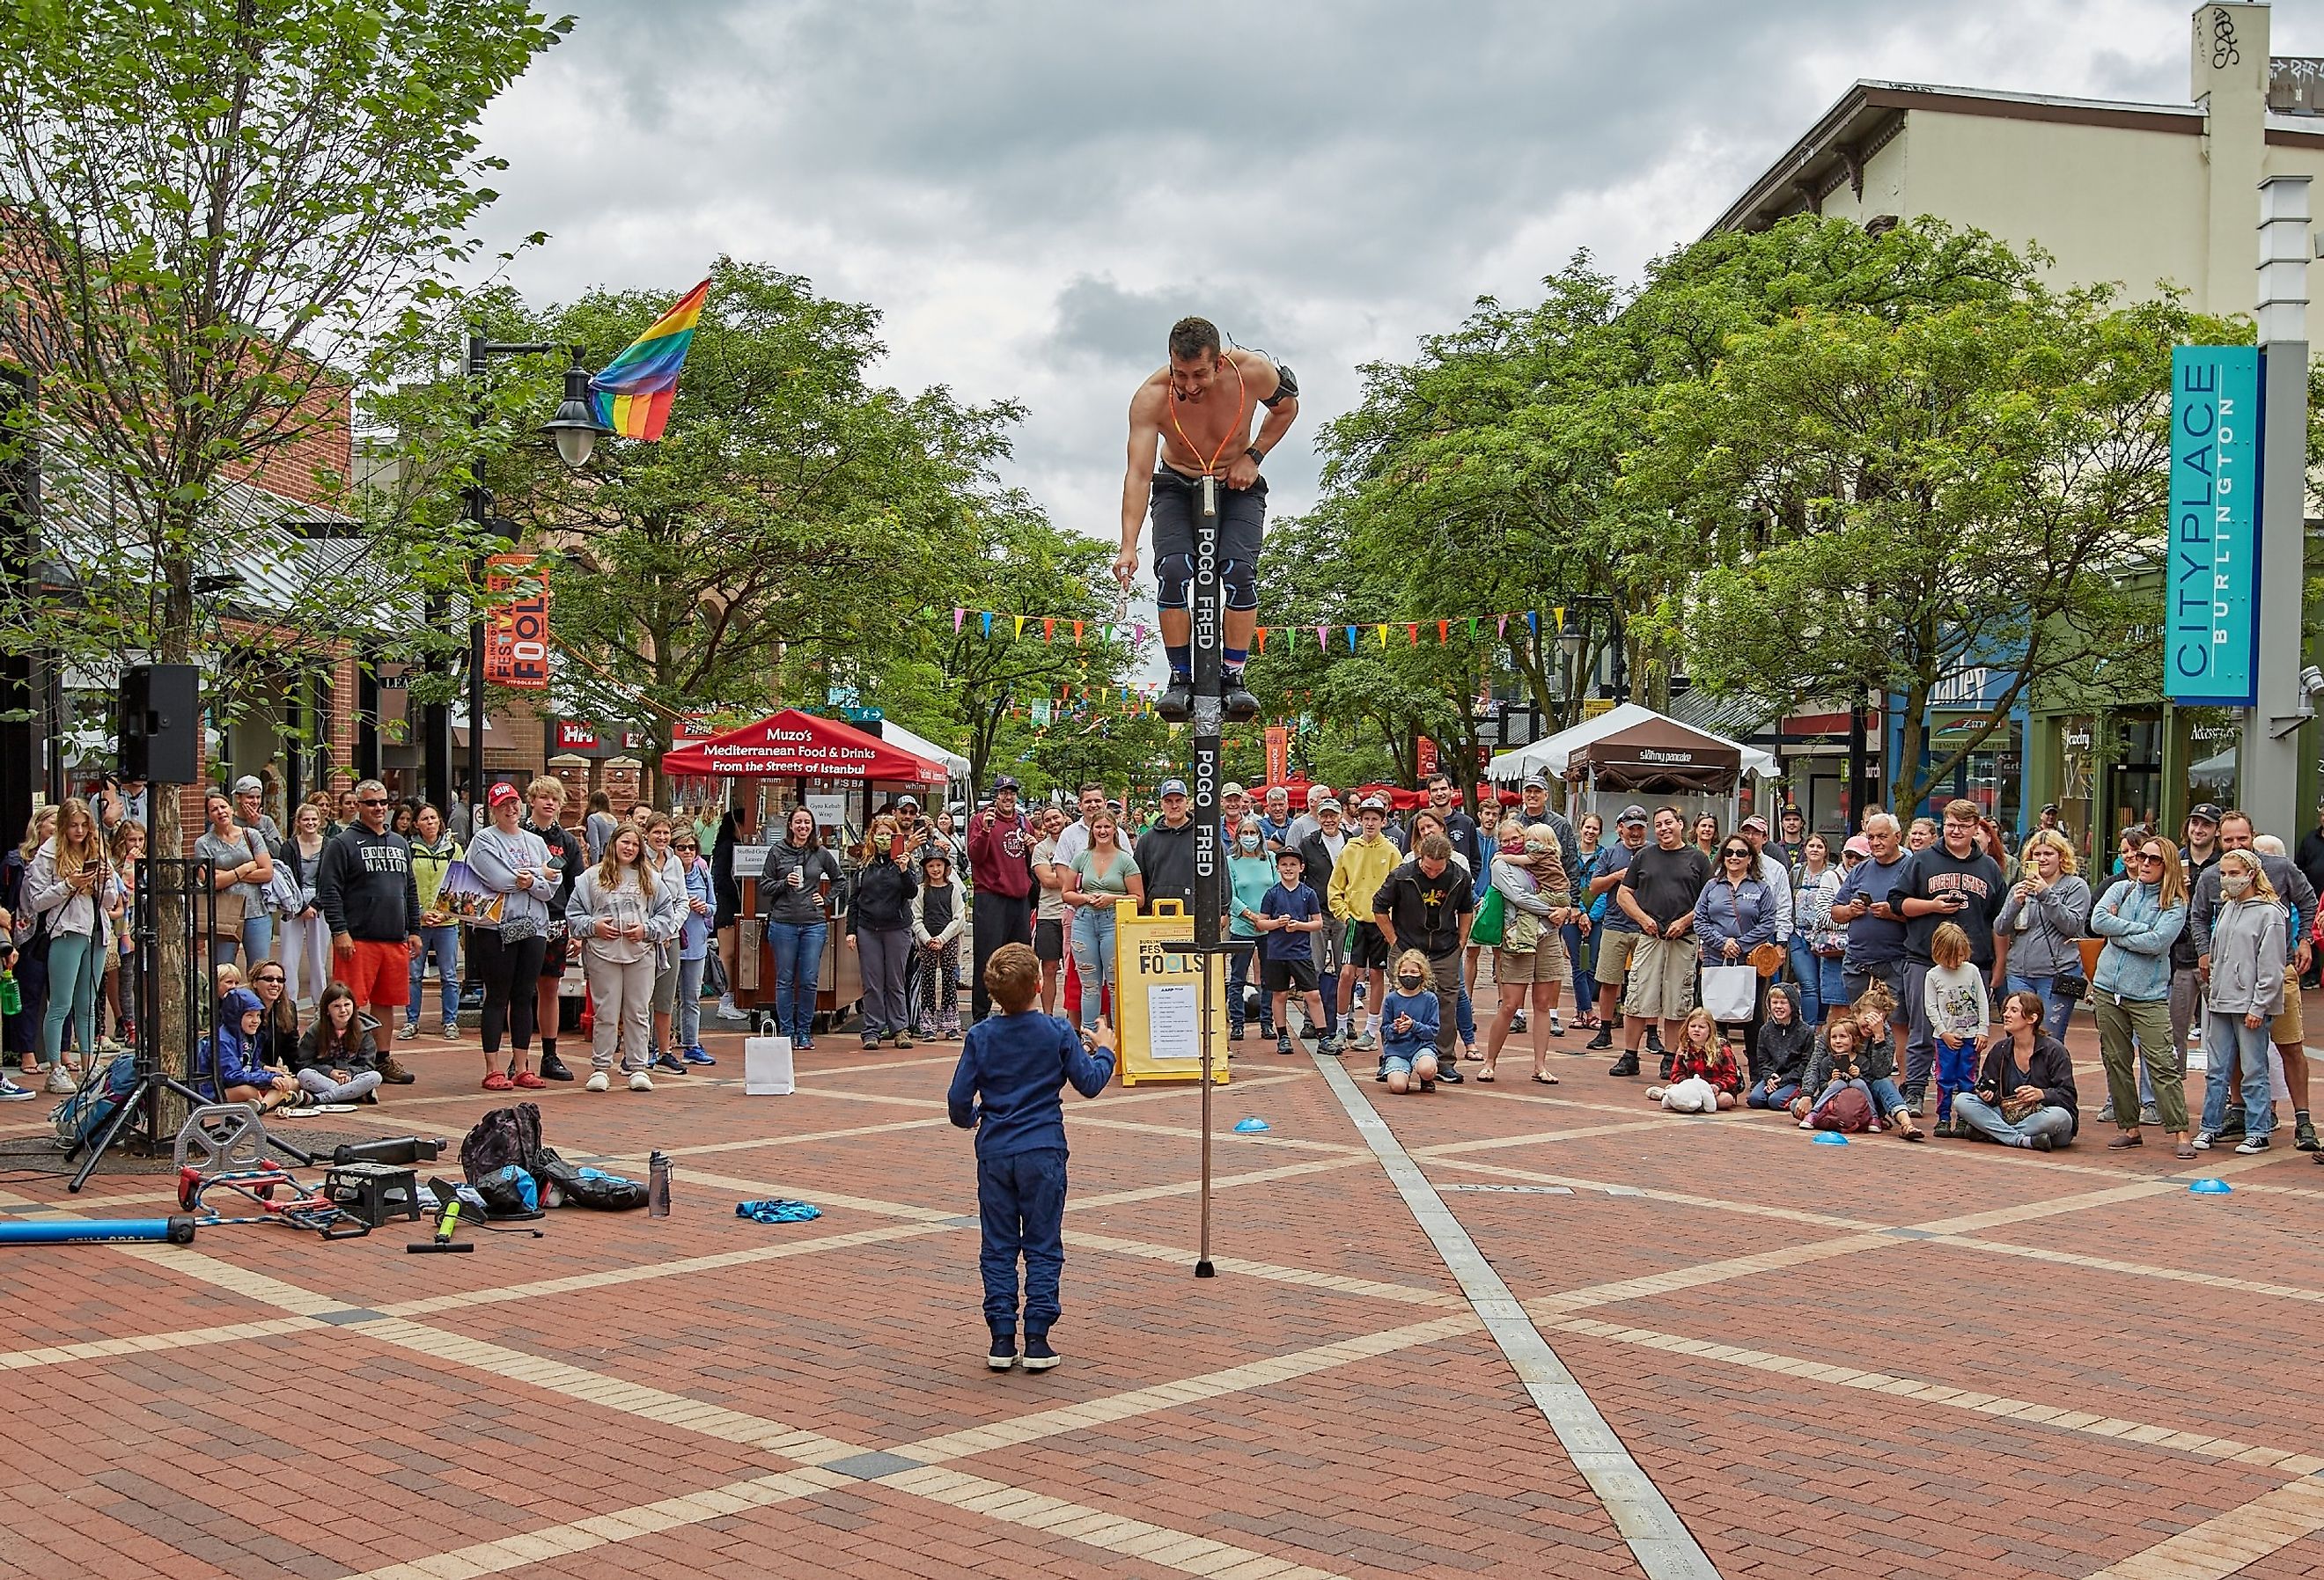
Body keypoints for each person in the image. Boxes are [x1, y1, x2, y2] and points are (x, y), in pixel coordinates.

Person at [1114, 315, 1300, 722]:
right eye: (1181, 374)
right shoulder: (1151, 397)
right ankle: (1180, 677)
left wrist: (1254, 456)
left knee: (1236, 572)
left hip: (1237, 482)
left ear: (1219, 362)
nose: (1190, 386)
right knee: (1175, 569)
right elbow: (1139, 474)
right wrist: (1128, 545)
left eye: (1199, 374)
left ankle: (1233, 676)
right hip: (1177, 484)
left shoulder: (1252, 371)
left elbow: (1287, 408)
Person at [947, 942, 1115, 1372]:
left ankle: (1002, 1338)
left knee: (998, 1245)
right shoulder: (1057, 1032)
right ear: (1040, 984)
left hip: (997, 1150)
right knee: (1042, 1243)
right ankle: (1038, 1337)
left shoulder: (980, 1036)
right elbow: (1091, 1082)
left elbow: (957, 1102)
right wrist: (1107, 1049)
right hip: (1043, 1148)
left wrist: (973, 1119)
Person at [2190, 810, 2317, 1150]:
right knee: (2226, 1061)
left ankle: (2301, 1120)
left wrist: (2304, 939)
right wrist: (2205, 953)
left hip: (2276, 977)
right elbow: (2200, 916)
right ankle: (2234, 1115)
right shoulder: (2215, 882)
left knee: (2288, 1048)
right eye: (2228, 839)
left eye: (2242, 838)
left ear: (2253, 836)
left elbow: (2308, 902)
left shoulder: (2279, 872)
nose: (2235, 844)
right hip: (2226, 990)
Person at [1886, 798, 2004, 1117]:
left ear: (1976, 828)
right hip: (1925, 959)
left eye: (1963, 826)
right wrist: (1932, 906)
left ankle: (1966, 1096)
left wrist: (1998, 965)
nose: (1956, 831)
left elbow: (1999, 920)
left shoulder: (1988, 867)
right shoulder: (1923, 861)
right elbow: (1897, 904)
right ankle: (1914, 1090)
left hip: (1973, 963)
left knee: (1968, 1033)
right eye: (1951, 824)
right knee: (1923, 1030)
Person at [2089, 833, 2194, 1157]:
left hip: (2147, 995)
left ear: (2168, 865)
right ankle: (2129, 1128)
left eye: (2154, 859)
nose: (2144, 863)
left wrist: (2118, 932)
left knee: (2162, 1062)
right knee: (2116, 1060)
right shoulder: (2121, 888)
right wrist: (2134, 929)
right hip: (2108, 989)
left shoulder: (2175, 903)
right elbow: (2097, 921)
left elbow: (2158, 943)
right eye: (2141, 857)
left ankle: (2180, 1132)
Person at [569, 823, 682, 1092]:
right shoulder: (590, 878)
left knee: (638, 1011)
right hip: (602, 953)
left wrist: (647, 930)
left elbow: (667, 915)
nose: (629, 848)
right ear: (613, 844)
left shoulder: (651, 879)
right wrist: (593, 927)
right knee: (605, 1011)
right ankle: (600, 1067)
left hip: (640, 953)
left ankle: (638, 1067)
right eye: (624, 842)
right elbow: (574, 914)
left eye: (634, 844)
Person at [2192, 849, 2285, 1154]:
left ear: (2251, 874)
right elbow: (2219, 954)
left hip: (2248, 1004)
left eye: (2234, 873)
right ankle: (2210, 1126)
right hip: (2220, 1000)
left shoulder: (2270, 913)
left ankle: (2258, 1129)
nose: (2228, 880)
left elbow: (2271, 966)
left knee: (2254, 1069)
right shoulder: (2228, 908)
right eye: (2224, 873)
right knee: (2216, 1070)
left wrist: (2259, 1005)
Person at [313, 778, 421, 1037]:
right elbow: (330, 891)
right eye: (371, 803)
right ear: (359, 806)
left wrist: (414, 930)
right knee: (348, 1003)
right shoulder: (342, 843)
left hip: (394, 938)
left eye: (384, 802)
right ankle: (350, 1057)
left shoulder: (400, 843)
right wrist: (339, 931)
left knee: (386, 1002)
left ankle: (382, 1059)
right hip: (357, 938)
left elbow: (410, 889)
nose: (379, 808)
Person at [1612, 807, 1710, 1079]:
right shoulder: (1644, 856)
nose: (1664, 828)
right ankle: (1630, 1055)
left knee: (1676, 1001)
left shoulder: (1698, 859)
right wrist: (1643, 919)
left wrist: (1686, 921)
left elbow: (1709, 899)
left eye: (1669, 822)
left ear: (1681, 824)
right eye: (1659, 824)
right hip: (1650, 938)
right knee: (1637, 997)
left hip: (1683, 939)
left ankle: (1671, 1058)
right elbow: (1624, 894)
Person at [22, 797, 113, 1094]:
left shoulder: (97, 850)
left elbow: (112, 899)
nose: (79, 831)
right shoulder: (48, 855)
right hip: (66, 931)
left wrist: (102, 883)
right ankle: (56, 1068)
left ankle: (89, 1064)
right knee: (60, 1002)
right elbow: (36, 901)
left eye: (84, 825)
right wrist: (69, 884)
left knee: (87, 1003)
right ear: (62, 826)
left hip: (96, 931)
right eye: (73, 825)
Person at [1370, 833, 1475, 1084]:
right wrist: (1393, 939)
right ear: (1420, 857)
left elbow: (1466, 910)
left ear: (1447, 862)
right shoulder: (1402, 875)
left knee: (1447, 1003)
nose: (1432, 874)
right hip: (1407, 946)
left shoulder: (1460, 876)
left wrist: (1461, 942)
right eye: (1428, 868)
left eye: (1438, 870)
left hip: (1445, 948)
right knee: (1399, 1001)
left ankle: (1444, 1061)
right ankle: (1391, 1058)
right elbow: (1379, 906)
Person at [1482, 820, 1571, 1085]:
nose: (1512, 843)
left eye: (1516, 838)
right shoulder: (1501, 864)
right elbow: (1519, 898)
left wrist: (1566, 909)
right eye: (1506, 840)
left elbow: (1560, 888)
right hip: (1517, 938)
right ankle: (1490, 1061)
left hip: (1548, 936)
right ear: (1500, 844)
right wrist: (1553, 911)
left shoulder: (1538, 857)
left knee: (1543, 1003)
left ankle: (1540, 1066)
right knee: (1510, 1004)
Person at [1989, 829, 2089, 1043]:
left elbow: (2071, 925)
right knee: (2017, 1035)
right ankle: (2020, 1077)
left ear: (2061, 857)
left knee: (2048, 1038)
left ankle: (2046, 1077)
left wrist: (2045, 894)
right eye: (2037, 854)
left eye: (2048, 854)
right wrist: (2015, 903)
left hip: (2057, 973)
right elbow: (2000, 927)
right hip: (2019, 973)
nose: (2042, 859)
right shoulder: (2020, 886)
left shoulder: (2075, 886)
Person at [1952, 989, 2079, 1150]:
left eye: (2014, 1010)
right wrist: (1987, 1095)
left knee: (2059, 1117)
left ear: (2032, 1018)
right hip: (2008, 1115)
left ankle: (1993, 1134)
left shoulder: (2054, 1050)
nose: (2006, 1014)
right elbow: (1988, 1087)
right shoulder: (2001, 1048)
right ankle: (2021, 1140)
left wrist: (2042, 1094)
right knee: (1962, 1100)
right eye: (2005, 1010)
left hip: (2042, 1118)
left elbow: (2068, 1096)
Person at [1693, 834, 1778, 1068]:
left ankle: (1757, 1071)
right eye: (1729, 852)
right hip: (1715, 960)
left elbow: (1768, 923)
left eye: (1741, 853)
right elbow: (1700, 921)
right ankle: (1717, 1068)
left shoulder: (1761, 888)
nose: (1734, 857)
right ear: (1722, 856)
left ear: (1750, 858)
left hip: (1749, 962)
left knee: (1753, 1017)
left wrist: (1741, 944)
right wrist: (1722, 942)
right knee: (1715, 1017)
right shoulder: (1711, 886)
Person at [763, 806, 842, 1051]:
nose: (802, 827)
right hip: (783, 922)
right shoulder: (777, 852)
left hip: (813, 924)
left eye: (807, 822)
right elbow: (765, 886)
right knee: (785, 979)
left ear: (813, 826)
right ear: (790, 825)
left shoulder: (820, 853)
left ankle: (805, 1031)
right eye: (798, 822)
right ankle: (787, 1031)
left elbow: (840, 880)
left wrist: (827, 900)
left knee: (809, 979)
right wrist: (784, 883)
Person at [1327, 797, 1401, 1053]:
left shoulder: (1391, 851)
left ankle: (1370, 1030)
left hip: (1381, 922)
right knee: (1347, 973)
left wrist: (1391, 919)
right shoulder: (1349, 849)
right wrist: (1345, 915)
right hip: (1355, 921)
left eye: (1375, 818)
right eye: (1366, 818)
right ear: (1359, 819)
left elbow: (1399, 888)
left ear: (1383, 821)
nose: (1370, 823)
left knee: (1377, 975)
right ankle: (1340, 1027)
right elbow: (1335, 887)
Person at [1063, 809, 1142, 1031]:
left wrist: (1112, 899)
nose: (1103, 831)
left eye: (1107, 826)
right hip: (1084, 921)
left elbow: (1138, 898)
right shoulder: (1082, 857)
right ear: (1092, 830)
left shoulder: (1126, 860)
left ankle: (1118, 1038)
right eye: (1098, 827)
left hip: (1114, 922)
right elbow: (1066, 892)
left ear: (1115, 829)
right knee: (1090, 986)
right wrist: (1085, 897)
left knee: (1116, 984)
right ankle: (1089, 1037)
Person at [847, 814, 920, 1051]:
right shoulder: (865, 864)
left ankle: (900, 1028)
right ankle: (872, 1030)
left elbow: (911, 892)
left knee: (895, 981)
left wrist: (902, 869)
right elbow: (854, 899)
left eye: (889, 834)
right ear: (873, 836)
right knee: (872, 982)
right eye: (880, 833)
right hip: (868, 928)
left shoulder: (903, 861)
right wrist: (851, 930)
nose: (884, 838)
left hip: (897, 928)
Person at [968, 775, 1035, 1024]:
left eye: (1012, 793)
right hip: (991, 897)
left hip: (1019, 898)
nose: (1008, 797)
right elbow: (975, 856)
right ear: (995, 796)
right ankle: (980, 1014)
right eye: (1003, 793)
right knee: (986, 957)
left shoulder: (1023, 822)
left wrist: (1032, 848)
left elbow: (1031, 863)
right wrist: (985, 831)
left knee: (1021, 958)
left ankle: (1016, 1009)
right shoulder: (982, 819)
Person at [1585, 805, 1650, 1054]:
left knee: (1646, 982)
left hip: (1645, 925)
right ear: (1622, 828)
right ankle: (1605, 1030)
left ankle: (1652, 1034)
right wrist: (1616, 876)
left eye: (1640, 829)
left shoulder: (1654, 852)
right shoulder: (1610, 853)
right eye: (1631, 828)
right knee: (1609, 980)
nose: (1636, 833)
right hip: (1614, 924)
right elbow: (1593, 887)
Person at [1257, 844, 1328, 1055]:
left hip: (1301, 952)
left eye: (1293, 864)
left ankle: (1323, 1036)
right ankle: (1283, 1036)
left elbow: (1318, 923)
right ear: (1278, 868)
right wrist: (1278, 923)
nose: (1288, 868)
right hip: (1277, 953)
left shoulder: (1308, 894)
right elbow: (1262, 923)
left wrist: (1299, 925)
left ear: (1301, 867)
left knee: (1313, 994)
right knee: (1279, 995)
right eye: (1284, 864)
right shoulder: (1271, 894)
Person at [194, 790, 275, 973]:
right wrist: (244, 868)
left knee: (260, 969)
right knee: (223, 970)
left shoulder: (251, 835)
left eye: (223, 807)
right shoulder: (203, 843)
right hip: (224, 914)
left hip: (256, 912)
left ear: (231, 809)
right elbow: (210, 882)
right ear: (208, 816)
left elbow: (267, 872)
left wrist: (225, 875)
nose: (220, 812)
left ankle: (258, 1002)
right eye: (214, 809)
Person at [401, 804, 462, 1043]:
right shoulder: (409, 849)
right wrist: (419, 913)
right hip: (418, 923)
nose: (430, 823)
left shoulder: (453, 850)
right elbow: (404, 886)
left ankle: (450, 1021)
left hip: (446, 922)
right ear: (416, 823)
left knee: (448, 974)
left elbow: (460, 883)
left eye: (433, 818)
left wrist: (444, 914)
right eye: (424, 819)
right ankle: (411, 1021)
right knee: (414, 974)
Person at [1923, 922, 1989, 1132]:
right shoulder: (1933, 975)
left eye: (1961, 956)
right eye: (1952, 957)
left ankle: (1964, 1117)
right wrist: (1943, 1032)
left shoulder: (1972, 971)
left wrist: (1983, 1029)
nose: (1957, 962)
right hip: (1946, 1039)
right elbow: (1931, 1007)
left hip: (1970, 1035)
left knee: (1968, 1078)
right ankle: (1943, 1118)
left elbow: (1982, 1000)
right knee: (1945, 1078)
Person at [195, 986, 302, 1112]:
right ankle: (270, 1101)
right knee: (248, 1092)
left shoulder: (251, 1037)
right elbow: (231, 1076)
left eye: (258, 1015)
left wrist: (274, 1075)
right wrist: (268, 1079)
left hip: (240, 1082)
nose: (256, 1021)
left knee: (290, 1082)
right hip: (214, 1091)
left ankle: (262, 1106)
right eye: (250, 1015)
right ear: (235, 1016)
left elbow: (252, 1067)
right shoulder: (223, 1040)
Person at [1297, 797, 1350, 1047]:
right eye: (1324, 815)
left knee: (1346, 970)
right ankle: (1311, 1020)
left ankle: (1345, 1020)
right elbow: (1301, 878)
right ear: (1317, 817)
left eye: (1333, 815)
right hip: (1317, 913)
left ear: (1340, 816)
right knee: (1313, 968)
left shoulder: (1352, 841)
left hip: (1345, 914)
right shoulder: (1309, 844)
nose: (1329, 820)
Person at [1225, 815, 1278, 1042]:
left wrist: (1267, 918)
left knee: (1268, 978)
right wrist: (1249, 915)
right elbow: (1229, 894)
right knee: (1237, 978)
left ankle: (1267, 1022)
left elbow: (1277, 889)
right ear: (1237, 837)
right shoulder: (1231, 861)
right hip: (1242, 925)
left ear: (1260, 836)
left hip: (1268, 927)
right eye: (1244, 833)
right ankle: (1237, 1024)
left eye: (1252, 833)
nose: (1249, 838)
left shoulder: (1271, 859)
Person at [270, 803, 327, 1014]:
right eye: (306, 819)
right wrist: (301, 906)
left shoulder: (329, 845)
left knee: (318, 957)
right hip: (292, 902)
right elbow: (285, 877)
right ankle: (289, 1004)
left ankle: (320, 1005)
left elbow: (331, 879)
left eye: (314, 819)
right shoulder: (289, 846)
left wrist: (316, 904)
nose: (310, 823)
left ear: (320, 821)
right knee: (288, 956)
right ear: (298, 822)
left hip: (321, 904)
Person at [294, 983, 385, 1106]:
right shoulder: (315, 1030)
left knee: (375, 1077)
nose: (343, 1010)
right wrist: (330, 1072)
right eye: (336, 1006)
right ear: (327, 1010)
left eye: (347, 1005)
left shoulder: (363, 1031)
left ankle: (318, 1099)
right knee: (304, 1075)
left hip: (351, 1078)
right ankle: (351, 1094)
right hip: (324, 1078)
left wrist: (347, 1073)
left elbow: (367, 1065)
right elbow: (304, 1063)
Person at [670, 826, 717, 1064]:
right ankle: (659, 1046)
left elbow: (713, 906)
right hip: (671, 942)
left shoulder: (703, 873)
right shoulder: (667, 873)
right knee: (665, 998)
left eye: (691, 847)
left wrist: (704, 909)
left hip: (696, 942)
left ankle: (691, 1044)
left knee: (692, 997)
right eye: (681, 847)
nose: (687, 852)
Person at [1790, 833, 1847, 1025]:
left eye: (1819, 847)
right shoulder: (1797, 872)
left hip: (1825, 937)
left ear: (1826, 852)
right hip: (1799, 935)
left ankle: (1822, 1025)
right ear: (1804, 849)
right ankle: (1809, 1029)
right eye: (1811, 846)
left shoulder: (1833, 873)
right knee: (1808, 984)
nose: (1815, 850)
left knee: (1823, 987)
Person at [912, 848, 967, 1040]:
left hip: (948, 939)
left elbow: (959, 918)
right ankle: (927, 1025)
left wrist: (943, 938)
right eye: (931, 866)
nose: (935, 869)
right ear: (925, 869)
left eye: (939, 865)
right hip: (927, 940)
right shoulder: (921, 891)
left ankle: (951, 1024)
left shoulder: (953, 890)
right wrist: (927, 939)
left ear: (945, 867)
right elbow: (916, 918)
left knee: (949, 980)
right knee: (927, 980)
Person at [711, 793, 756, 1023]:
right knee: (727, 954)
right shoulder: (728, 848)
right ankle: (726, 998)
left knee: (734, 954)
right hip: (728, 907)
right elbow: (722, 878)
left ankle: (733, 997)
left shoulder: (736, 846)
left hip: (735, 905)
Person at [1644, 1007, 1740, 1112]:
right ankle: (1667, 1096)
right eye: (1693, 1026)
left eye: (1701, 1027)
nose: (1696, 1030)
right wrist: (1687, 1084)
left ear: (1710, 1030)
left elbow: (1731, 1076)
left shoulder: (1722, 1049)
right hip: (1691, 1088)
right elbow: (1676, 1073)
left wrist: (1718, 1086)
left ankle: (1681, 1102)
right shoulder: (1684, 1049)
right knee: (1677, 1091)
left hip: (1714, 1090)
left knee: (1726, 1100)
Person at [1378, 949, 1442, 1094]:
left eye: (1414, 972)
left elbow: (1432, 1031)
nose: (1408, 976)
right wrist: (1396, 1028)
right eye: (1404, 971)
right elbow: (1385, 1030)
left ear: (1422, 974)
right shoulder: (1391, 999)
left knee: (1426, 1069)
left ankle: (1426, 1079)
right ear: (1398, 973)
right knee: (1398, 1087)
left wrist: (1413, 1025)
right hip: (1397, 1050)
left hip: (1421, 1047)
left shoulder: (1430, 998)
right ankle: (1398, 1072)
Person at [1030, 805, 1071, 1015]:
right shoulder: (1041, 848)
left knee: (1078, 971)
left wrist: (1059, 876)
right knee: (1049, 968)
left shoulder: (1077, 842)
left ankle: (1077, 1019)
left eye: (1056, 817)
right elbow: (1046, 880)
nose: (1053, 822)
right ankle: (1047, 1016)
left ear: (1064, 817)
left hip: (1075, 912)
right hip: (1049, 914)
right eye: (1048, 820)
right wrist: (1074, 877)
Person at [1746, 981, 1811, 1110]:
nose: (1778, 1007)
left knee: (1776, 1102)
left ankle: (1794, 1094)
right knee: (1755, 1100)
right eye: (1774, 1003)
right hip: (1772, 1077)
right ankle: (1772, 1090)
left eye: (1783, 1003)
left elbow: (1805, 1063)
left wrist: (1784, 1079)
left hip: (1794, 1079)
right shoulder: (1765, 1030)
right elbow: (1763, 1059)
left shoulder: (1805, 1031)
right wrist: (1769, 1077)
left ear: (1793, 1004)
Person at [1567, 812, 1603, 1030]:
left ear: (1600, 832)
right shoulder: (1570, 855)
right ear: (1581, 828)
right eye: (1587, 827)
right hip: (1572, 916)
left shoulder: (1604, 855)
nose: (1590, 832)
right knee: (1578, 964)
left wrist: (1592, 915)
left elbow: (1606, 891)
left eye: (1594, 828)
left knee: (1590, 965)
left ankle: (1582, 1011)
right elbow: (1568, 884)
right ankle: (1586, 1011)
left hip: (1597, 918)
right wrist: (1580, 913)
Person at [1257, 785, 1295, 853]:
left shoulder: (1295, 824)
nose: (1277, 809)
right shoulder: (1260, 824)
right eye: (1273, 805)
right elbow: (1263, 845)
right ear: (1268, 807)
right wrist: (1289, 843)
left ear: (1287, 805)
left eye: (1281, 805)